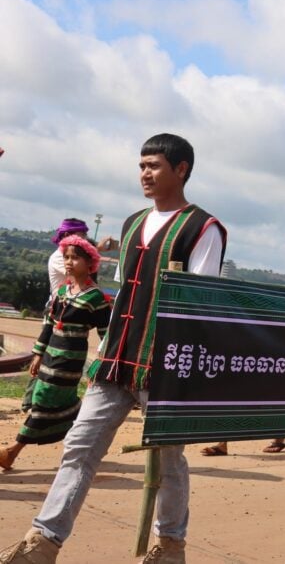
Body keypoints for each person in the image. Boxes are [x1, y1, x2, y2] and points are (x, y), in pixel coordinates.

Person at [1, 133, 226, 564]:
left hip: (162, 365)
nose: (144, 173)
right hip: (116, 360)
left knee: (168, 461)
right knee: (80, 446)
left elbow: (201, 303)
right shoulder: (132, 223)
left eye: (154, 165)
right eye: (141, 165)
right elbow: (124, 295)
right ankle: (43, 542)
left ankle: (170, 547)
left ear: (181, 170)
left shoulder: (203, 228)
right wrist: (103, 353)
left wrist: (182, 374)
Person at [0, 237, 111, 471]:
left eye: (75, 258)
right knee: (58, 404)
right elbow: (49, 325)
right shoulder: (62, 291)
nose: (69, 262)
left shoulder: (96, 299)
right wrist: (38, 354)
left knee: (43, 401)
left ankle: (12, 451)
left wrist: (102, 364)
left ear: (90, 263)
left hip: (69, 361)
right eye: (66, 257)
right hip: (50, 356)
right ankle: (87, 439)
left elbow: (106, 336)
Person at [46, 219, 89, 295]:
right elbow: (78, 279)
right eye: (82, 235)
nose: (85, 240)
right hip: (63, 301)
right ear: (67, 235)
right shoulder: (58, 256)